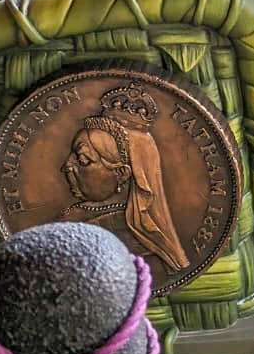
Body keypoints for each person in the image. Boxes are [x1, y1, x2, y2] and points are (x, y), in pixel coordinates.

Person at [58, 86, 191, 273]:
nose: (66, 166)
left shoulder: (121, 239)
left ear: (122, 173)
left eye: (82, 160)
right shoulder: (75, 216)